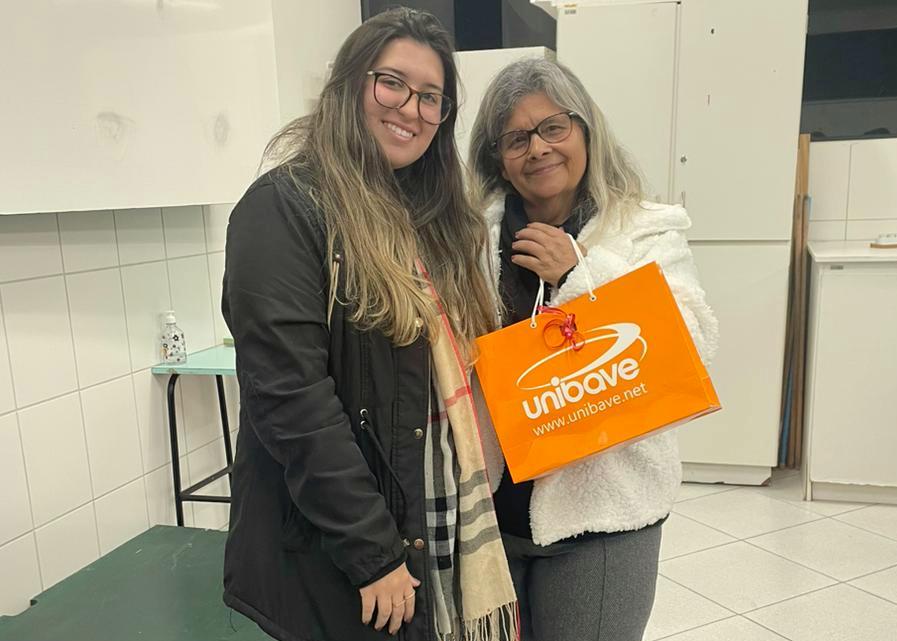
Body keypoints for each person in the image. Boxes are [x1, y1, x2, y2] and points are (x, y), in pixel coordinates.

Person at [221, 9, 517, 641]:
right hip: (339, 547)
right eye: (392, 83)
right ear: (350, 84)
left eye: (431, 97)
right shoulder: (285, 207)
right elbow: (291, 399)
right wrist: (373, 552)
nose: (411, 109)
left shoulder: (430, 219)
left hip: (427, 515)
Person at [468, 57, 719, 641]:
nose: (538, 148)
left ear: (585, 130)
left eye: (553, 127)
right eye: (516, 139)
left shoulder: (645, 228)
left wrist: (581, 273)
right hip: (489, 517)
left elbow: (692, 345)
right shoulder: (470, 237)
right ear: (498, 158)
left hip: (603, 516)